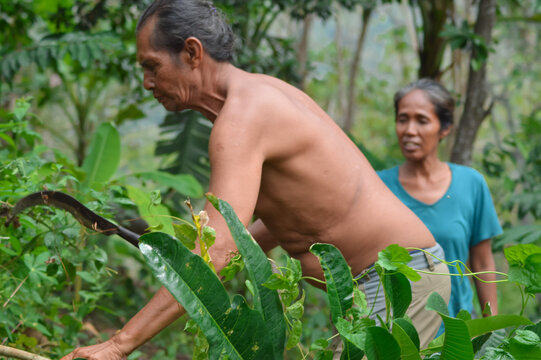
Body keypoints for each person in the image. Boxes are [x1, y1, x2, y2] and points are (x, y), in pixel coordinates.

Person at [61, 2, 450, 358]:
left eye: (151, 66)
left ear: (192, 53)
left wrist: (118, 345)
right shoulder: (256, 96)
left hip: (398, 282)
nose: (147, 82)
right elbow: (294, 211)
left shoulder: (243, 119)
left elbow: (216, 253)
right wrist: (227, 251)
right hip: (381, 286)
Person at [378, 78, 502, 331]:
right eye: (403, 119)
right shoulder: (378, 187)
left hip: (457, 336)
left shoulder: (471, 184)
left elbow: (482, 264)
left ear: (444, 128)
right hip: (397, 336)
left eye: (421, 120)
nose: (409, 130)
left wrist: (493, 331)